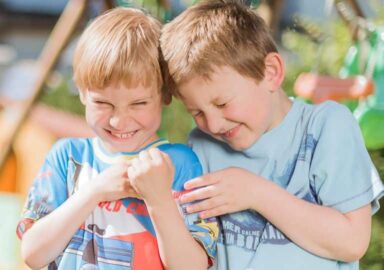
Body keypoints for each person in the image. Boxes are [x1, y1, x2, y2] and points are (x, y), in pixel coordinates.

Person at [159, 1, 384, 269]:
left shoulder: (327, 127)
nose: (214, 123)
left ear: (271, 72)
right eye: (196, 112)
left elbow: (352, 242)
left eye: (222, 104)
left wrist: (256, 193)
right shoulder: (203, 145)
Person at [17, 7, 218, 270]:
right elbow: (33, 253)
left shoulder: (179, 163)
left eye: (138, 103)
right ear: (82, 92)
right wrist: (95, 191)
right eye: (103, 103)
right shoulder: (67, 157)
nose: (119, 121)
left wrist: (159, 199)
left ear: (165, 95)